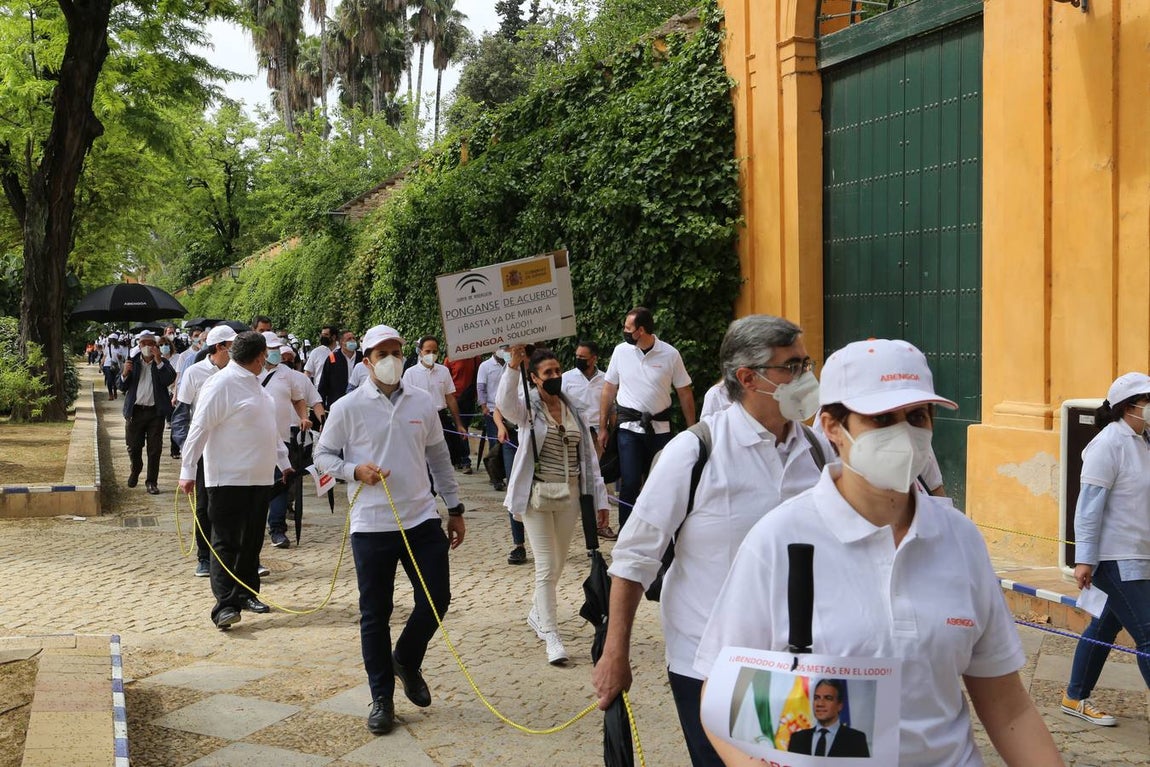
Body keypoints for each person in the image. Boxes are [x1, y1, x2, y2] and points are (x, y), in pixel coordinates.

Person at [694, 338, 1062, 767]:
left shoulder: (960, 540)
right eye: (882, 418)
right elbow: (720, 692)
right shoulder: (778, 540)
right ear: (833, 427)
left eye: (917, 416)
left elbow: (1007, 705)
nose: (904, 432)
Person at [592, 315, 828, 766]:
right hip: (713, 664)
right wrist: (614, 653)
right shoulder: (695, 452)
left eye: (807, 363)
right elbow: (635, 557)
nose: (807, 377)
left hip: (802, 662)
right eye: (792, 367)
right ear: (748, 378)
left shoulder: (819, 451)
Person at [314, 324, 465, 736]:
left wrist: (455, 507)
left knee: (437, 598)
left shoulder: (421, 402)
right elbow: (322, 454)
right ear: (366, 360)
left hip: (420, 518)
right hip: (372, 523)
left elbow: (439, 458)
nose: (391, 359)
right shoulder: (347, 407)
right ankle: (381, 697)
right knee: (374, 614)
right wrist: (353, 470)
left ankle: (407, 659)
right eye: (382, 353)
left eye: (396, 351)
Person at [499, 345, 610, 666]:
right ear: (533, 379)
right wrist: (512, 365)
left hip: (570, 495)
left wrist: (600, 498)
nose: (555, 377)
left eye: (558, 371)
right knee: (547, 566)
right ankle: (550, 633)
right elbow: (505, 405)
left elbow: (588, 457)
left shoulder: (574, 408)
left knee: (559, 564)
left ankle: (537, 613)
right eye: (547, 373)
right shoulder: (528, 409)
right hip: (537, 496)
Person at [178, 331, 291, 630]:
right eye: (265, 356)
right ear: (258, 357)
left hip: (260, 477)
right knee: (226, 541)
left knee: (252, 541)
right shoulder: (221, 384)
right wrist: (188, 470)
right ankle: (225, 605)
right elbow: (199, 428)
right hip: (227, 477)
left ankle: (246, 593)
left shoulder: (258, 387)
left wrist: (285, 462)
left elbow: (271, 430)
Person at [1061, 372, 1150, 726]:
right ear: (1130, 407)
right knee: (1147, 634)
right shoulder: (1108, 443)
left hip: (1139, 553)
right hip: (1116, 557)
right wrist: (1084, 558)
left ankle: (1074, 696)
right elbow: (1088, 507)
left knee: (1102, 629)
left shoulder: (1142, 440)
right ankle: (1075, 696)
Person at [598, 306, 695, 530]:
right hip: (628, 428)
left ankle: (660, 531)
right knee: (630, 482)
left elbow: (684, 392)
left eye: (627, 328)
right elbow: (608, 389)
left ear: (641, 330)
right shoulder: (621, 351)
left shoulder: (670, 354)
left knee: (660, 483)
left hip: (660, 429)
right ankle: (626, 532)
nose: (624, 331)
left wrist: (692, 429)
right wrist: (603, 427)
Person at [173, 324, 237, 577]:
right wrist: (188, 448)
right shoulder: (195, 373)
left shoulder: (240, 372)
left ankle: (236, 556)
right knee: (205, 505)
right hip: (203, 449)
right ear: (219, 347)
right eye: (231, 347)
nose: (234, 351)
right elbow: (181, 415)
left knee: (234, 504)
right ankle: (204, 556)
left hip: (233, 448)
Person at [260, 332, 318, 549]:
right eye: (270, 349)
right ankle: (253, 526)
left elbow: (298, 399)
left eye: (277, 349)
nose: (275, 353)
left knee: (281, 482)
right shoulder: (248, 372)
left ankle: (277, 528)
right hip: (254, 440)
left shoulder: (288, 374)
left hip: (282, 438)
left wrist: (303, 417)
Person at [477, 345, 527, 563]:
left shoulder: (535, 379)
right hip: (510, 438)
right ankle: (519, 544)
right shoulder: (507, 378)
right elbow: (499, 408)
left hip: (531, 438)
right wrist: (500, 427)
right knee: (514, 486)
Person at [562, 340, 611, 538]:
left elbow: (611, 406)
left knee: (597, 478)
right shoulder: (567, 378)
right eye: (577, 356)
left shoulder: (606, 379)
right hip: (574, 433)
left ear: (594, 358)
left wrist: (606, 429)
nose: (579, 360)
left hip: (597, 433)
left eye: (583, 357)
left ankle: (600, 523)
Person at [119, 330, 177, 495]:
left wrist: (159, 361)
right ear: (139, 345)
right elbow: (121, 386)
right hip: (135, 412)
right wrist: (124, 373)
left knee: (154, 449)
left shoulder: (162, 364)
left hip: (155, 413)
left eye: (150, 343)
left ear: (155, 346)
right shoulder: (132, 362)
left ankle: (151, 481)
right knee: (133, 446)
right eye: (143, 343)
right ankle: (136, 468)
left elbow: (169, 380)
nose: (147, 346)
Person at [402, 336, 470, 476]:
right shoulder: (410, 373)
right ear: (420, 351)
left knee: (444, 455)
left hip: (441, 417)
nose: (431, 355)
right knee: (421, 456)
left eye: (434, 351)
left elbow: (450, 397)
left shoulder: (443, 371)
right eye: (427, 351)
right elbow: (405, 400)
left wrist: (458, 424)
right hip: (419, 418)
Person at [787, 679, 870, 757]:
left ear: (840, 705)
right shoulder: (797, 738)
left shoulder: (856, 740)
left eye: (828, 698)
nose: (820, 704)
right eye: (817, 698)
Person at [444, 354, 480, 474]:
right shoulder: (450, 359)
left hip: (468, 398)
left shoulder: (475, 357)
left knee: (463, 427)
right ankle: (464, 460)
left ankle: (461, 459)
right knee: (459, 428)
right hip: (453, 398)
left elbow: (478, 379)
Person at [317, 330, 362, 408]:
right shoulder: (332, 358)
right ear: (341, 342)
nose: (352, 341)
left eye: (353, 338)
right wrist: (321, 405)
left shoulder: (362, 357)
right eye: (349, 339)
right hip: (337, 402)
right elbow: (324, 383)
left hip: (359, 402)